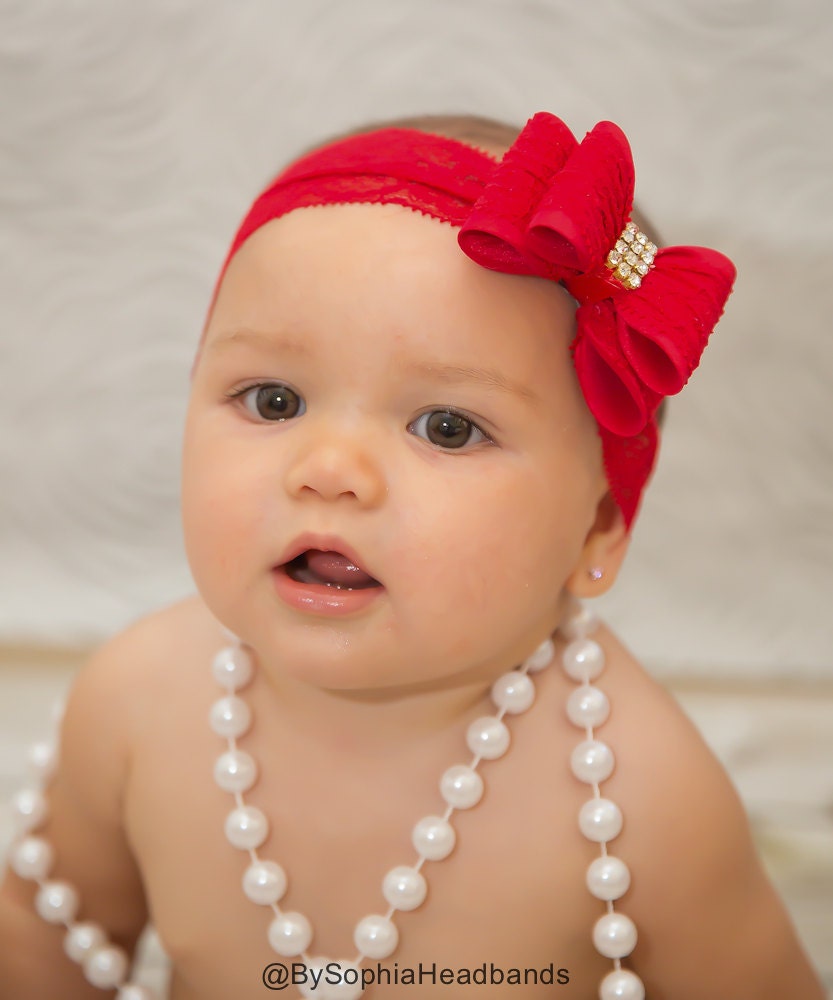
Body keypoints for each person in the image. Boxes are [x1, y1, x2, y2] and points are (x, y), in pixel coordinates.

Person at [0, 111, 825, 1000]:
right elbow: (45, 940)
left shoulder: (636, 801)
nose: (329, 471)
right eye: (274, 400)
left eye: (447, 426)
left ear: (595, 529)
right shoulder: (135, 702)